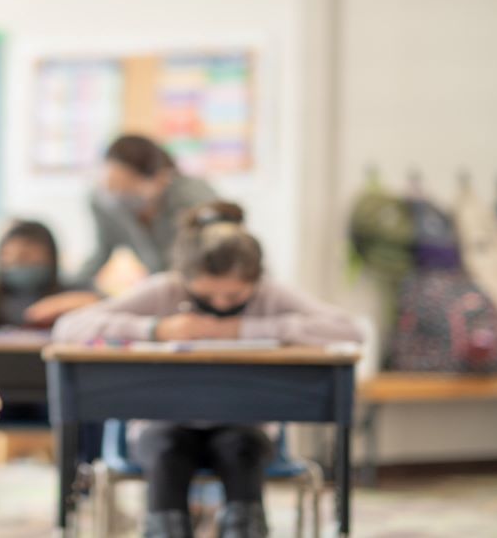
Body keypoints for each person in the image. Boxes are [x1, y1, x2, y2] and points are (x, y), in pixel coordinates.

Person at [54, 202, 363, 538]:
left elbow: (349, 330)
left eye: (233, 297)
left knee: (239, 448)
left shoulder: (270, 294)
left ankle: (245, 527)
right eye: (206, 296)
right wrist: (156, 329)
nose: (219, 306)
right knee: (166, 451)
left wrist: (243, 330)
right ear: (185, 279)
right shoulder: (164, 290)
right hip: (163, 426)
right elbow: (70, 328)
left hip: (245, 425)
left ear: (256, 280)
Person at [76, 135, 217, 285]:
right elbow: (100, 254)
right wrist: (67, 286)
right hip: (160, 286)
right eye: (112, 188)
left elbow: (222, 246)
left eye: (127, 189)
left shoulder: (193, 196)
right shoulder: (103, 203)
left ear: (160, 179)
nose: (118, 197)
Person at [0, 220, 100, 339]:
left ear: (50, 257)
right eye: (9, 258)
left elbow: (106, 304)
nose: (17, 264)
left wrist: (66, 304)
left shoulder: (71, 290)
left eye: (26, 256)